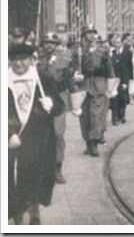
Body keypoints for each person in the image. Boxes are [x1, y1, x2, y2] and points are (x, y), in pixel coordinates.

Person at [9, 43, 65, 225]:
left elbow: (59, 107)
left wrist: (51, 103)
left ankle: (33, 210)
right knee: (9, 175)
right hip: (10, 136)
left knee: (32, 172)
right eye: (14, 59)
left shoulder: (41, 78)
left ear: (31, 60)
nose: (18, 63)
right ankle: (15, 212)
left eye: (22, 59)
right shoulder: (4, 79)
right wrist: (9, 133)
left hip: (36, 135)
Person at [70, 24, 115, 157]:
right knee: (84, 116)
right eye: (88, 33)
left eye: (93, 32)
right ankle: (88, 143)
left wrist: (111, 85)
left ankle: (94, 142)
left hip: (98, 83)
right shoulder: (76, 50)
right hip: (83, 84)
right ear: (83, 35)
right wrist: (74, 75)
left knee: (96, 114)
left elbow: (109, 68)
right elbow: (71, 67)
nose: (91, 35)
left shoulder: (103, 49)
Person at [36, 33, 73, 184]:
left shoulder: (64, 60)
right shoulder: (35, 60)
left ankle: (57, 168)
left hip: (59, 97)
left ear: (57, 44)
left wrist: (76, 99)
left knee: (58, 133)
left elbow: (69, 79)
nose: (49, 45)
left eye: (52, 42)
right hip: (41, 98)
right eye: (46, 42)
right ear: (43, 44)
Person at [110, 33, 134, 125]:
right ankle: (115, 117)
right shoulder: (112, 53)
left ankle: (122, 115)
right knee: (114, 99)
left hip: (124, 79)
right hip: (114, 80)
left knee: (123, 97)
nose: (117, 44)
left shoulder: (127, 53)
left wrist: (129, 79)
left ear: (121, 43)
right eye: (115, 43)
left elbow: (129, 66)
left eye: (119, 42)